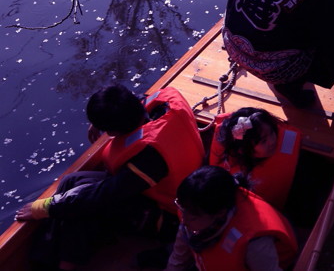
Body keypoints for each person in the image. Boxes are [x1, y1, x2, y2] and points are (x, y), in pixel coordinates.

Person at [15, 84, 205, 269]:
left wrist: (44, 207)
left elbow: (101, 194)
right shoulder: (164, 103)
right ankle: (44, 258)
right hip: (157, 189)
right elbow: (135, 101)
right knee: (70, 181)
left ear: (112, 131)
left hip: (169, 217)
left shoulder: (150, 156)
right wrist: (99, 124)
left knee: (83, 205)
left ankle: (65, 265)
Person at [165, 165, 298, 271]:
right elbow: (179, 256)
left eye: (193, 217)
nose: (184, 220)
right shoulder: (192, 206)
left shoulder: (254, 242)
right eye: (182, 209)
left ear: (220, 213)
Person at [209, 107, 300, 210]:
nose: (272, 141)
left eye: (271, 133)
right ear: (243, 150)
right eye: (263, 141)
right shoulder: (227, 155)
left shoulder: (286, 139)